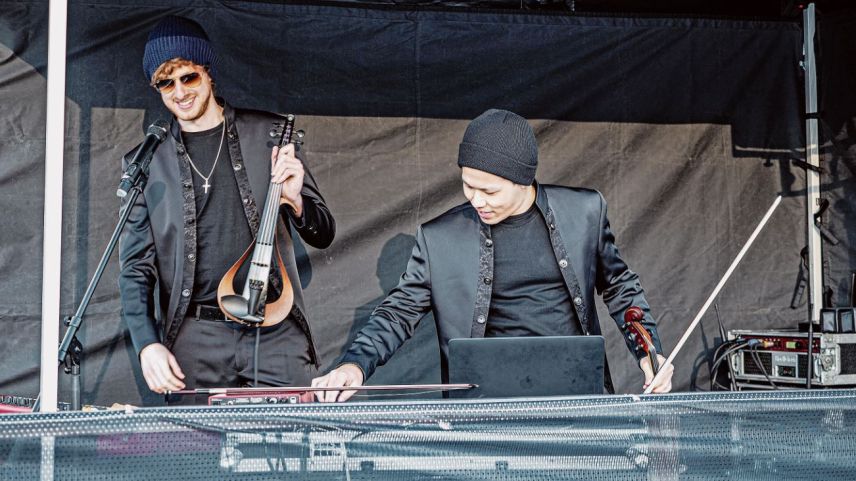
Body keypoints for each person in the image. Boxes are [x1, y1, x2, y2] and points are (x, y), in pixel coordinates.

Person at [312, 109, 673, 401]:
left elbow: (621, 288)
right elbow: (398, 312)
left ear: (523, 180)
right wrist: (354, 365)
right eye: (468, 185)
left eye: (489, 190)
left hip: (576, 395)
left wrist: (649, 350)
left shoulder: (585, 212)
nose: (475, 199)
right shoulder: (440, 238)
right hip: (485, 405)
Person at [118, 16, 335, 404]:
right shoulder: (147, 161)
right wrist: (147, 344)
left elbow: (323, 233)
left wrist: (297, 200)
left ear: (208, 73)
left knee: (293, 450)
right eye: (166, 83)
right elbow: (136, 268)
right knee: (194, 457)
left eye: (189, 77)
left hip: (273, 326)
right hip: (195, 333)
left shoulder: (269, 134)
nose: (179, 92)